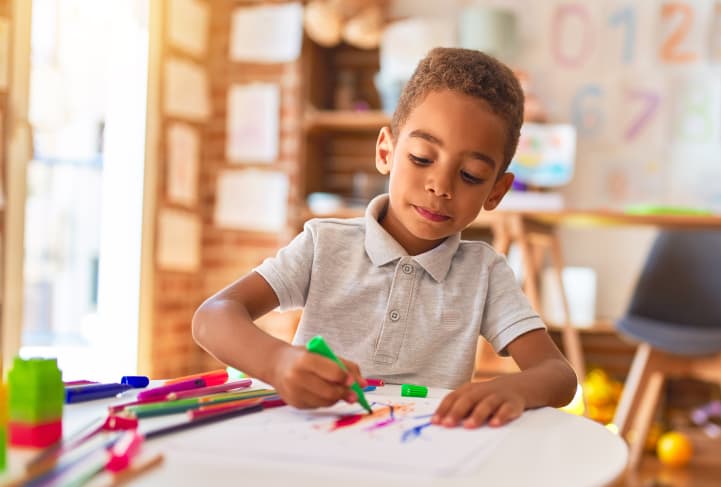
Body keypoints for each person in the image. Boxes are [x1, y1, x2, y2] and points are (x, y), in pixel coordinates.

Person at [192, 47, 577, 429]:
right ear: (386, 151)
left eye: (472, 175)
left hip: (423, 457)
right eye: (423, 158)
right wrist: (277, 363)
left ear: (495, 191)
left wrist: (515, 389)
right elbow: (212, 317)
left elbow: (559, 375)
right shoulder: (324, 244)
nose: (440, 186)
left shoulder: (485, 273)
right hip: (316, 445)